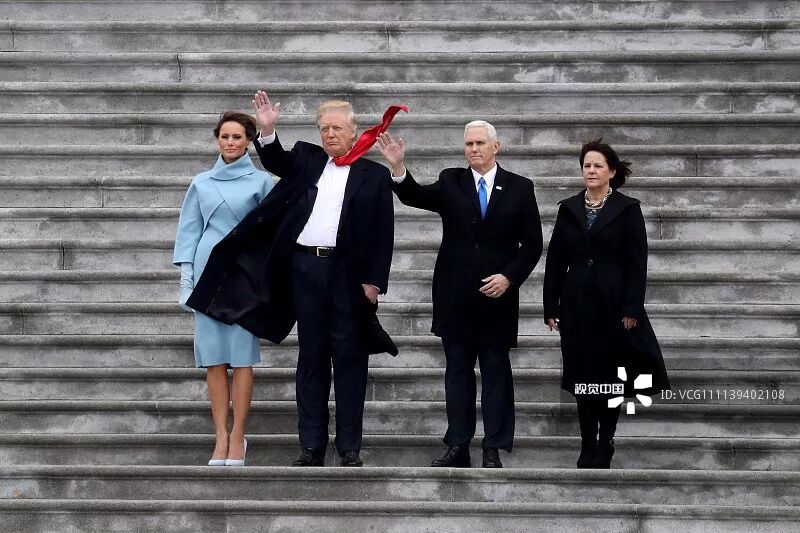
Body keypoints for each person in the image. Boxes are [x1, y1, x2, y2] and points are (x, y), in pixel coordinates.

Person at [186, 91, 396, 468]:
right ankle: (311, 446)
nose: (330, 134)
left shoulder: (375, 175)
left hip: (349, 275)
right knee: (311, 358)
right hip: (305, 269)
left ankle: (349, 447)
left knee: (350, 360)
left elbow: (384, 232)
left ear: (353, 131)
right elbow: (275, 160)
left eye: (337, 128)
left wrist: (374, 282)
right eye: (324, 128)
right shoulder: (306, 158)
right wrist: (267, 130)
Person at [376, 121, 543, 468]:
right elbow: (415, 195)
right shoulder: (451, 180)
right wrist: (398, 167)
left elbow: (532, 244)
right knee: (457, 373)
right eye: (469, 144)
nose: (474, 149)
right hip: (455, 296)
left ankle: (493, 447)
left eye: (480, 143)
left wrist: (509, 278)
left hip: (496, 298)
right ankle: (458, 444)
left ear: (496, 146)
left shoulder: (520, 187)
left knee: (496, 373)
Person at [543, 139, 670, 469]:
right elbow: (555, 260)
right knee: (583, 376)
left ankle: (605, 441)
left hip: (613, 307)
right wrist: (551, 306)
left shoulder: (627, 209)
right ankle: (587, 443)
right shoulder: (569, 208)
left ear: (611, 172)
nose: (591, 170)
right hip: (576, 307)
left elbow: (637, 262)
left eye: (598, 165)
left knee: (610, 378)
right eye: (587, 165)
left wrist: (632, 308)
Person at [173, 111, 274, 467]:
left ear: (249, 141)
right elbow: (189, 231)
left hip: (245, 275)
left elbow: (272, 231)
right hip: (208, 272)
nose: (230, 143)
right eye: (225, 137)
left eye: (237, 137)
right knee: (213, 359)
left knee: (242, 358)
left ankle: (238, 435)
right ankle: (220, 436)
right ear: (217, 139)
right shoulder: (201, 182)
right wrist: (186, 279)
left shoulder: (262, 181)